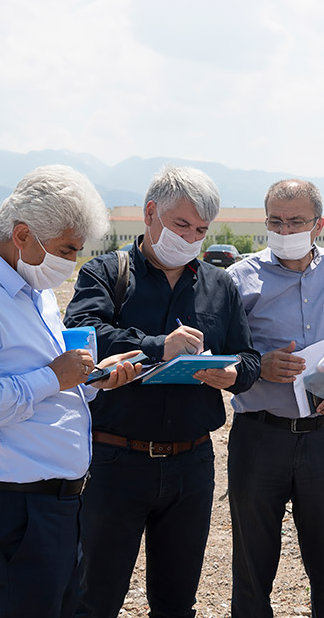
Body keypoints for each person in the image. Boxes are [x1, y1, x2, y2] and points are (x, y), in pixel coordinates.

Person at [0, 165, 144, 618]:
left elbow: (47, 381)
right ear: (23, 235)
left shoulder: (32, 288)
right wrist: (54, 378)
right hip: (14, 509)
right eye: (66, 250)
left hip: (57, 505)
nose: (72, 262)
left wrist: (92, 379)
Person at [63, 166, 261, 618]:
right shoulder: (106, 272)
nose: (191, 237)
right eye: (181, 225)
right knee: (95, 596)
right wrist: (157, 346)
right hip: (115, 462)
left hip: (191, 466)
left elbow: (248, 359)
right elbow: (83, 333)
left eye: (201, 230)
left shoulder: (219, 284)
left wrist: (233, 375)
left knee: (176, 601)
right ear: (150, 214)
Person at [226, 179, 324, 618]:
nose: (285, 228)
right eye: (276, 220)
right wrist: (259, 365)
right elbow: (222, 352)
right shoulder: (239, 278)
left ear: (319, 224)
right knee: (253, 568)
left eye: (296, 221)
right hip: (261, 436)